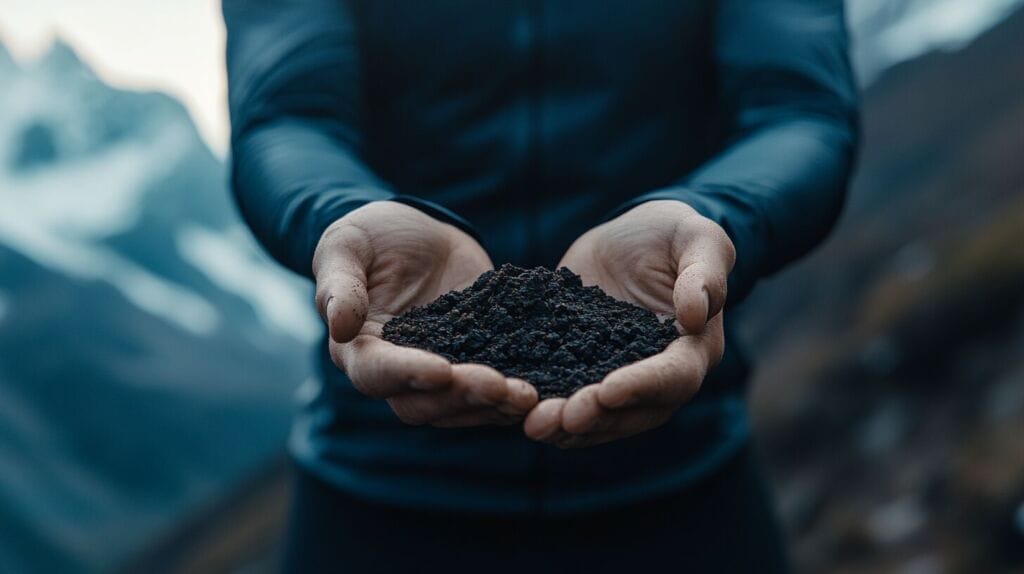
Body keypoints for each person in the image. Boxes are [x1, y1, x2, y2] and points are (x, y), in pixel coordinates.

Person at [223, 1, 858, 571]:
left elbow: (799, 111)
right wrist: (342, 213)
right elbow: (287, 116)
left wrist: (712, 218)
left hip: (682, 489)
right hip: (373, 495)